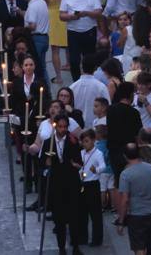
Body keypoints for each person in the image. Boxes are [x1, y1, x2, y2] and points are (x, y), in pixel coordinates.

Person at [42, 113, 84, 255]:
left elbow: (79, 161)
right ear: (55, 127)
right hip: (56, 185)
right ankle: (61, 247)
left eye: (65, 127)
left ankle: (76, 246)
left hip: (71, 183)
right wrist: (46, 165)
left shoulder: (73, 141)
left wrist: (76, 164)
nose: (62, 129)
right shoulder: (48, 142)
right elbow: (42, 163)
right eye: (60, 127)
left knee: (74, 217)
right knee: (59, 219)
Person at [116, 143, 151, 255]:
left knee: (139, 248)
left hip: (136, 216)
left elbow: (124, 200)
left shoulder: (125, 174)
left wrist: (121, 221)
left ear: (125, 156)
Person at [59, 0, 103, 81]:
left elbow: (98, 12)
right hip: (73, 32)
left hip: (89, 31)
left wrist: (87, 13)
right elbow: (61, 15)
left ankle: (90, 81)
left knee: (89, 60)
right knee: (74, 61)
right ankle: (76, 81)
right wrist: (72, 16)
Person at [79, 128, 106, 246]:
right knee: (82, 212)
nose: (85, 144)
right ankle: (83, 237)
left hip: (93, 185)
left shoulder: (98, 153)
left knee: (95, 214)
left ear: (94, 140)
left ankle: (97, 239)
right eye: (83, 142)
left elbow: (103, 166)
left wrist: (96, 170)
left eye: (87, 141)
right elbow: (80, 165)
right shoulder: (81, 153)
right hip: (83, 183)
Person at [44, 0, 69, 84]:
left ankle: (58, 77)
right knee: (69, 46)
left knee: (55, 50)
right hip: (65, 16)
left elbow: (46, 4)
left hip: (53, 18)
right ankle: (69, 64)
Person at [70, 55, 108, 128]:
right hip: (96, 128)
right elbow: (107, 107)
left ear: (81, 67)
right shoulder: (101, 87)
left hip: (77, 126)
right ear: (95, 68)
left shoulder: (72, 87)